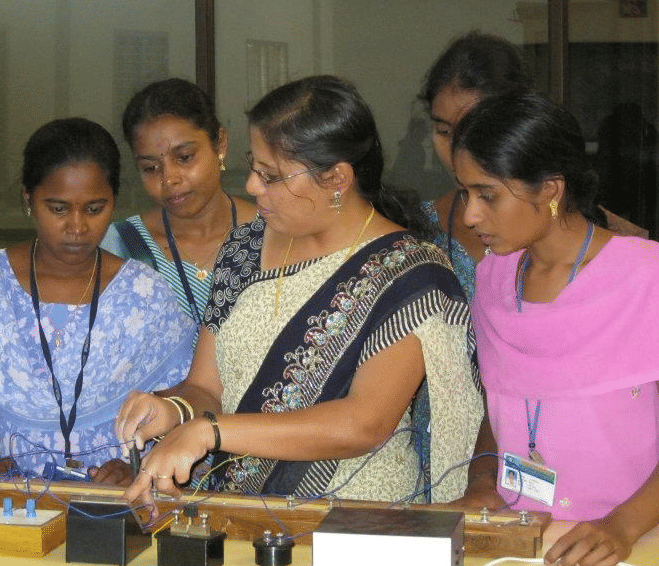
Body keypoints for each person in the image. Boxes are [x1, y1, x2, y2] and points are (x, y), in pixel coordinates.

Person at [115, 75, 483, 511]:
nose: (252, 186)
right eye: (254, 167)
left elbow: (364, 423)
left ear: (336, 179)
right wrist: (173, 410)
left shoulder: (409, 270)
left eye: (270, 176)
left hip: (355, 521)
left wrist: (210, 432)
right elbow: (205, 388)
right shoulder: (244, 249)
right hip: (241, 515)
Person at [453, 92, 659, 566]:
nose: (469, 215)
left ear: (550, 189)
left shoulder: (644, 277)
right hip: (519, 541)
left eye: (488, 195)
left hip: (628, 542)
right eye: (465, 192)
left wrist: (622, 527)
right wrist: (482, 483)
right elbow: (501, 402)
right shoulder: (494, 277)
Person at [0, 118, 194, 481]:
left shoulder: (144, 294)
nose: (77, 227)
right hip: (6, 490)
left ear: (113, 201)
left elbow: (175, 399)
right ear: (28, 199)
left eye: (94, 208)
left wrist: (137, 465)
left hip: (113, 495)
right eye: (58, 208)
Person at [418, 31, 647, 301]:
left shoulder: (630, 259)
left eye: (476, 130)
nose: (458, 149)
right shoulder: (418, 229)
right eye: (444, 131)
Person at [101, 78, 257, 330]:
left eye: (184, 157)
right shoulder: (120, 247)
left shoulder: (273, 234)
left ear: (221, 143)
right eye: (150, 168)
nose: (169, 178)